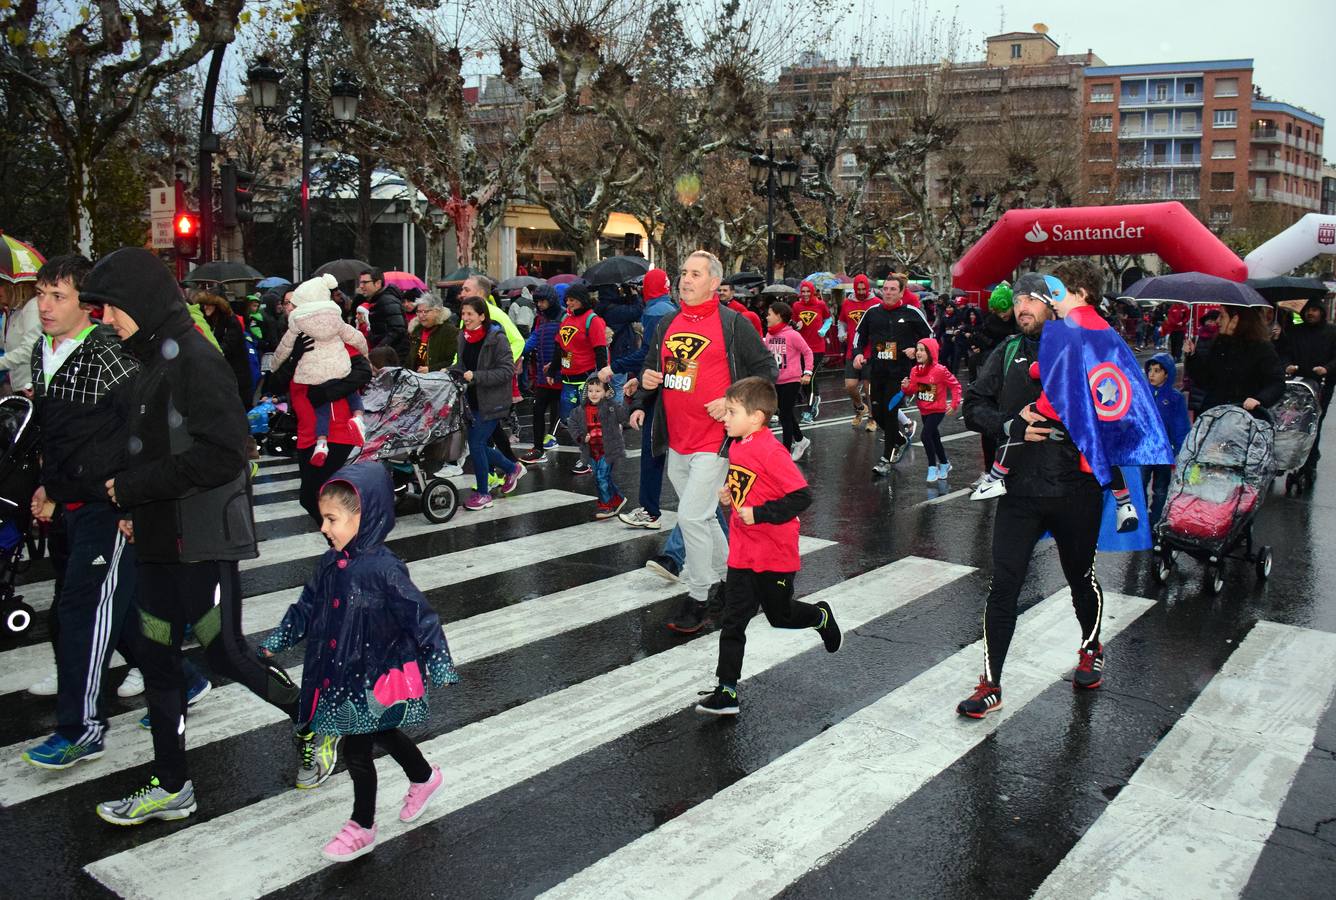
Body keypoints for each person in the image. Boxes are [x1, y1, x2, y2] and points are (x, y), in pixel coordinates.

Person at [85, 248, 323, 826]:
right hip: (161, 542)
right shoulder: (148, 359)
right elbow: (155, 444)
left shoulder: (195, 357)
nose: (107, 320)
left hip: (203, 544)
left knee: (226, 653)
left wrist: (135, 488)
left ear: (140, 302)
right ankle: (173, 785)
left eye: (112, 308)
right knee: (156, 657)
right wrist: (134, 504)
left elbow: (223, 456)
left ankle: (315, 721)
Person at [258, 465, 458, 862]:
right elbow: (306, 608)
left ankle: (361, 825)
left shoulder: (384, 568)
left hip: (374, 676)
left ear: (363, 516)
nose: (324, 528)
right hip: (342, 673)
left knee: (356, 750)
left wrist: (437, 659)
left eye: (332, 519)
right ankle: (424, 777)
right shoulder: (328, 564)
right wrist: (278, 639)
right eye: (323, 519)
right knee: (383, 732)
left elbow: (420, 616)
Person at [957, 284, 1108, 719]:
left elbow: (1116, 408)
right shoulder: (1007, 351)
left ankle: (1091, 647)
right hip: (1019, 490)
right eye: (1017, 300)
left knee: (1080, 577)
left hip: (1075, 492)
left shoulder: (1087, 348)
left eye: (1031, 300)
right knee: (1003, 585)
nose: (1021, 308)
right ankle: (990, 684)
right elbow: (973, 405)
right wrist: (1009, 425)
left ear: (1055, 305)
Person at [20, 255, 142, 770]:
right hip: (70, 499)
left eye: (58, 296)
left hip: (109, 504)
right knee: (119, 610)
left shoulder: (109, 351)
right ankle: (186, 678)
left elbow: (144, 425)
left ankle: (82, 728)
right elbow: (54, 432)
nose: (44, 307)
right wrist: (47, 485)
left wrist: (135, 501)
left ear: (86, 304)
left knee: (81, 612)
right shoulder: (39, 351)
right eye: (41, 295)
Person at [630, 250, 776, 633]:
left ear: (714, 282)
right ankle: (736, 581)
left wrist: (732, 401)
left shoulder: (733, 325)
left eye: (696, 274)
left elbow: (766, 371)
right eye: (683, 273)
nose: (686, 280)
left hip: (716, 441)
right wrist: (645, 385)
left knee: (692, 517)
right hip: (676, 438)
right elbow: (652, 367)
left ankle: (699, 597)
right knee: (705, 517)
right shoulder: (666, 323)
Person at [695, 377, 841, 716]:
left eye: (731, 412)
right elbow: (749, 484)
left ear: (757, 417)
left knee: (780, 616)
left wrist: (759, 513)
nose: (725, 418)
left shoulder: (770, 450)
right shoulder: (738, 444)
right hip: (743, 551)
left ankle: (820, 616)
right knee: (733, 621)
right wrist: (732, 496)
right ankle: (727, 690)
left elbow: (801, 496)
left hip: (774, 552)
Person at [273, 274, 369, 467]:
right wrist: (294, 357)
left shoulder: (333, 337)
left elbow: (363, 372)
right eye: (286, 303)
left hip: (336, 434)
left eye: (294, 303)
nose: (290, 307)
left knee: (324, 494)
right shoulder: (289, 341)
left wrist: (325, 393)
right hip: (305, 434)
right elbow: (274, 384)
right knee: (309, 496)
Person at [611, 268, 677, 530]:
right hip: (671, 386)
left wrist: (615, 368)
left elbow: (650, 355)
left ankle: (650, 510)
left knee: (652, 452)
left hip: (660, 393)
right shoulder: (670, 308)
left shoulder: (654, 312)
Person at [851, 273, 932, 473]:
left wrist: (917, 349)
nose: (888, 293)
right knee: (877, 413)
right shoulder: (872, 312)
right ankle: (899, 438)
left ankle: (886, 458)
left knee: (890, 411)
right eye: (885, 289)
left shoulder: (912, 312)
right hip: (877, 370)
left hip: (901, 373)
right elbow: (859, 337)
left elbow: (930, 337)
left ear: (901, 292)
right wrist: (858, 354)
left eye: (892, 289)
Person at [453, 297, 525, 511]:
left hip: (493, 402)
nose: (465, 318)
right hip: (471, 400)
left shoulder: (497, 338)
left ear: (482, 316)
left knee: (476, 444)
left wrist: (475, 376)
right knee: (479, 446)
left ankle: (484, 494)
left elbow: (505, 371)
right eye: (463, 314)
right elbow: (461, 364)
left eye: (470, 314)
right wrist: (451, 371)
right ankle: (512, 468)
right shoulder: (463, 337)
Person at [1183, 306, 1286, 414]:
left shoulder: (1261, 347)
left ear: (1235, 319)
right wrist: (1192, 355)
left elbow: (1276, 383)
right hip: (1214, 413)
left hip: (1244, 416)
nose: (1218, 321)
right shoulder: (1219, 344)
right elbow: (1205, 379)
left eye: (1222, 316)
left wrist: (1259, 399)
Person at [552, 283, 609, 476]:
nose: (569, 303)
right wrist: (552, 370)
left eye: (573, 299)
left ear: (582, 300)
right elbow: (559, 347)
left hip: (586, 378)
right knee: (570, 420)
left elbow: (600, 349)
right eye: (567, 300)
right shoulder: (566, 318)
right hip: (568, 378)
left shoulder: (592, 320)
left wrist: (602, 380)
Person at [1277, 297, 1336, 477]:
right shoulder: (1294, 331)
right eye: (1308, 310)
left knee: (1313, 423)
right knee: (1289, 422)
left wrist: (1326, 368)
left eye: (1315, 310)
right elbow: (1284, 352)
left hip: (1321, 384)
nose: (1311, 313)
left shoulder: (1332, 333)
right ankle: (1285, 457)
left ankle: (1309, 461)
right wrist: (1287, 364)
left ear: (1321, 312)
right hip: (1296, 383)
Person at [567, 374, 629, 519]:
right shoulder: (581, 410)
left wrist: (626, 402)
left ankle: (606, 507)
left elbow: (623, 416)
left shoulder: (611, 407)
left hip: (608, 450)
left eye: (598, 391)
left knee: (602, 477)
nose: (593, 394)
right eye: (590, 391)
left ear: (606, 393)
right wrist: (581, 438)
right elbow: (572, 424)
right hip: (591, 450)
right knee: (601, 478)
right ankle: (618, 498)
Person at [900, 337, 962, 482]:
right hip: (924, 410)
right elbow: (913, 390)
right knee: (935, 438)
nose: (918, 353)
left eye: (922, 350)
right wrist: (906, 386)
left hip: (937, 410)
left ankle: (932, 467)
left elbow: (955, 386)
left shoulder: (940, 370)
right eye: (917, 349)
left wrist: (954, 404)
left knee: (925, 436)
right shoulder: (915, 370)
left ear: (931, 352)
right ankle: (945, 464)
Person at [763, 301, 815, 460]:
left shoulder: (793, 335)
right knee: (786, 413)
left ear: (778, 316)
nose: (766, 317)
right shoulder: (769, 334)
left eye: (769, 314)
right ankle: (800, 440)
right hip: (775, 380)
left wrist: (807, 372)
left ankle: (784, 452)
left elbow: (807, 352)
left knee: (785, 414)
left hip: (791, 380)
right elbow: (766, 354)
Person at [1144, 353, 1190, 525]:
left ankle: (1155, 519)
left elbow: (1181, 426)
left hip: (1164, 451)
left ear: (1167, 373)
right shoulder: (1142, 394)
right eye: (1150, 370)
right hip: (1143, 450)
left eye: (1157, 371)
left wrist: (1180, 450)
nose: (1152, 374)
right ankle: (1142, 520)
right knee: (1140, 485)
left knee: (1161, 488)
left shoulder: (1174, 398)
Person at [521, 286, 564, 464]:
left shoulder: (564, 318)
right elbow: (533, 340)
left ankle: (551, 439)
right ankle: (538, 448)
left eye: (543, 301)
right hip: (542, 375)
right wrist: (517, 351)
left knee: (561, 411)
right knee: (538, 410)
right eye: (537, 301)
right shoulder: (541, 319)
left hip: (560, 374)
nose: (540, 305)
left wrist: (558, 367)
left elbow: (567, 346)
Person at [838, 275, 878, 429]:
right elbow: (841, 321)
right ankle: (860, 408)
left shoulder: (876, 303)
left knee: (869, 388)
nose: (861, 292)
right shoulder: (848, 303)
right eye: (858, 289)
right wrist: (841, 333)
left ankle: (872, 418)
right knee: (850, 385)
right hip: (851, 350)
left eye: (864, 289)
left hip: (869, 350)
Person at [791, 280, 830, 424]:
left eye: (808, 291)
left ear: (813, 292)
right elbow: (792, 324)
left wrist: (824, 329)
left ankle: (810, 410)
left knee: (810, 377)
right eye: (803, 292)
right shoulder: (796, 305)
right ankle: (816, 397)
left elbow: (829, 318)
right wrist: (796, 325)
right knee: (804, 379)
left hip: (817, 348)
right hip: (801, 347)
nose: (806, 294)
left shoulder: (820, 304)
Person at [358, 269, 409, 361]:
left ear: (377, 283)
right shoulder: (378, 300)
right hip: (386, 355)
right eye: (360, 282)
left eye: (365, 282)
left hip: (393, 357)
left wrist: (379, 349)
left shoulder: (387, 300)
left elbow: (398, 329)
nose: (361, 286)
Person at [0, 279, 42, 393]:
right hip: (17, 385)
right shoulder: (10, 312)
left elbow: (30, 350)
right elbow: (5, 344)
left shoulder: (33, 307)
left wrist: (1, 362)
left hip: (31, 387)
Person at [408, 293, 458, 373]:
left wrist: (430, 369)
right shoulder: (416, 330)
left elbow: (452, 361)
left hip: (436, 379)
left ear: (437, 311)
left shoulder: (450, 331)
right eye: (419, 311)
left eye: (425, 312)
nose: (421, 315)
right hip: (414, 378)